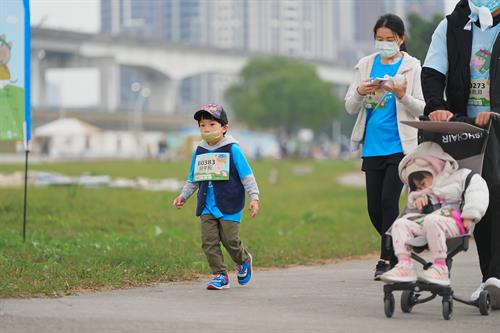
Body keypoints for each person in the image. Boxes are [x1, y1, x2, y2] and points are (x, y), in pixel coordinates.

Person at [421, 0, 500, 303]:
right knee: (478, 194)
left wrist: (494, 110)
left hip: (497, 122)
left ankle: (495, 274)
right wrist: (438, 107)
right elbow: (432, 73)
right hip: (466, 128)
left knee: (495, 189)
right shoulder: (451, 26)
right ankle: (491, 277)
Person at [345, 14, 425, 280]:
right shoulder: (366, 65)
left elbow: (424, 108)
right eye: (380, 39)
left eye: (390, 39)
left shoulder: (412, 67)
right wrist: (360, 91)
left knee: (389, 201)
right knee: (374, 209)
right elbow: (349, 106)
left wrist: (402, 95)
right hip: (372, 146)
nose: (384, 44)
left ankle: (385, 259)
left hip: (401, 147)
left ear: (401, 39)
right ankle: (402, 246)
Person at [173, 103, 260, 290]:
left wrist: (254, 197)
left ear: (224, 127)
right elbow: (193, 178)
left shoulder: (232, 149)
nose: (206, 129)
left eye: (212, 125)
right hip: (206, 204)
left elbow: (247, 175)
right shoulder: (200, 151)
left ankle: (243, 260)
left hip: (229, 202)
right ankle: (220, 275)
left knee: (230, 239)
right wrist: (183, 196)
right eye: (202, 125)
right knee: (209, 242)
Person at [380, 142, 489, 286]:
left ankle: (440, 267)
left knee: (432, 220)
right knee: (401, 223)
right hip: (429, 224)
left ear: (435, 169)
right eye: (418, 187)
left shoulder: (460, 177)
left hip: (456, 223)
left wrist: (470, 214)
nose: (422, 189)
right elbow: (417, 214)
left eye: (423, 184)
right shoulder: (424, 194)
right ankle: (404, 264)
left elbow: (477, 190)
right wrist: (416, 203)